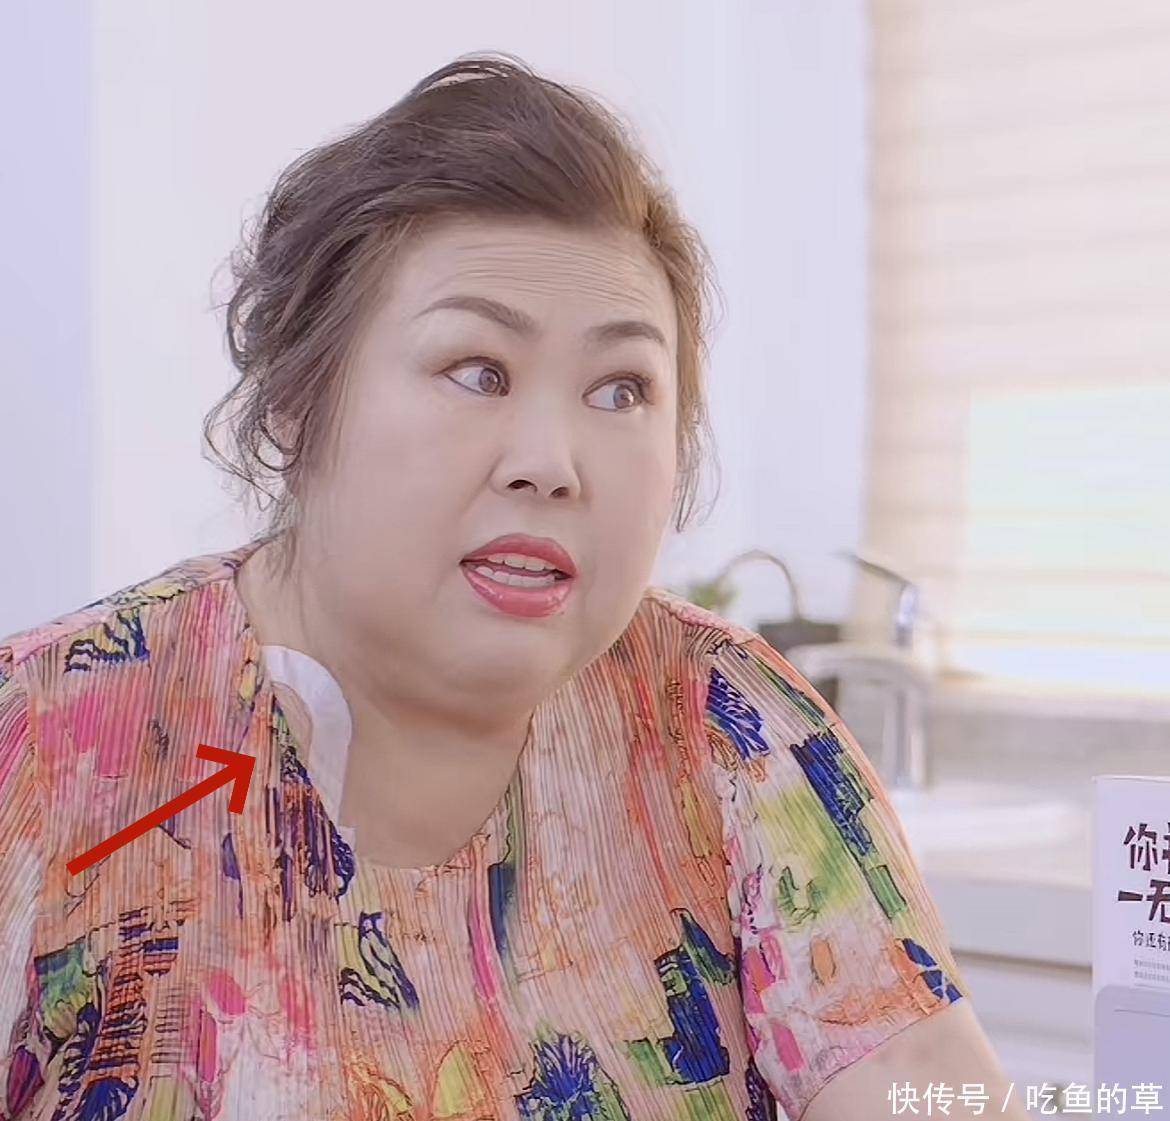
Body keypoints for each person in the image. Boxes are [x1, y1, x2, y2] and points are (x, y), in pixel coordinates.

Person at [0, 53, 1028, 1121]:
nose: (551, 461)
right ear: (297, 402)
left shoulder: (734, 729)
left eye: (620, 389)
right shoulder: (49, 738)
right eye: (478, 371)